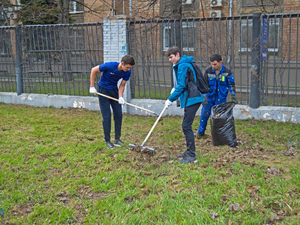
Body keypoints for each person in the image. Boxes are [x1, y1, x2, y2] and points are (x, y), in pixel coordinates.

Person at [164, 46, 205, 164]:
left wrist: (170, 99)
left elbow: (182, 86)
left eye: (171, 57)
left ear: (177, 54)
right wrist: (174, 88)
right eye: (169, 58)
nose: (170, 60)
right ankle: (188, 152)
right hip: (192, 98)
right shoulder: (184, 63)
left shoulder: (182, 65)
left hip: (192, 98)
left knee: (186, 126)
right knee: (186, 126)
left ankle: (192, 156)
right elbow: (185, 82)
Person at [89, 55, 135, 149]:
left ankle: (117, 139)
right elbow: (93, 70)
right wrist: (92, 86)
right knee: (107, 117)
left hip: (114, 90)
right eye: (127, 67)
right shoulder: (110, 66)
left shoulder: (127, 72)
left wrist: (120, 96)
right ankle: (107, 140)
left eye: (130, 67)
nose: (128, 69)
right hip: (103, 91)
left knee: (118, 114)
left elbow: (122, 85)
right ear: (122, 64)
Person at [195, 53, 237, 138]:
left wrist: (233, 95)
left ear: (220, 62)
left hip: (221, 99)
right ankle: (201, 132)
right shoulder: (208, 71)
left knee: (219, 117)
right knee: (204, 114)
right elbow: (204, 85)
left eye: (215, 64)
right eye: (211, 64)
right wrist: (204, 97)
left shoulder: (227, 71)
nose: (213, 66)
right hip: (210, 98)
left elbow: (231, 84)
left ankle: (219, 135)